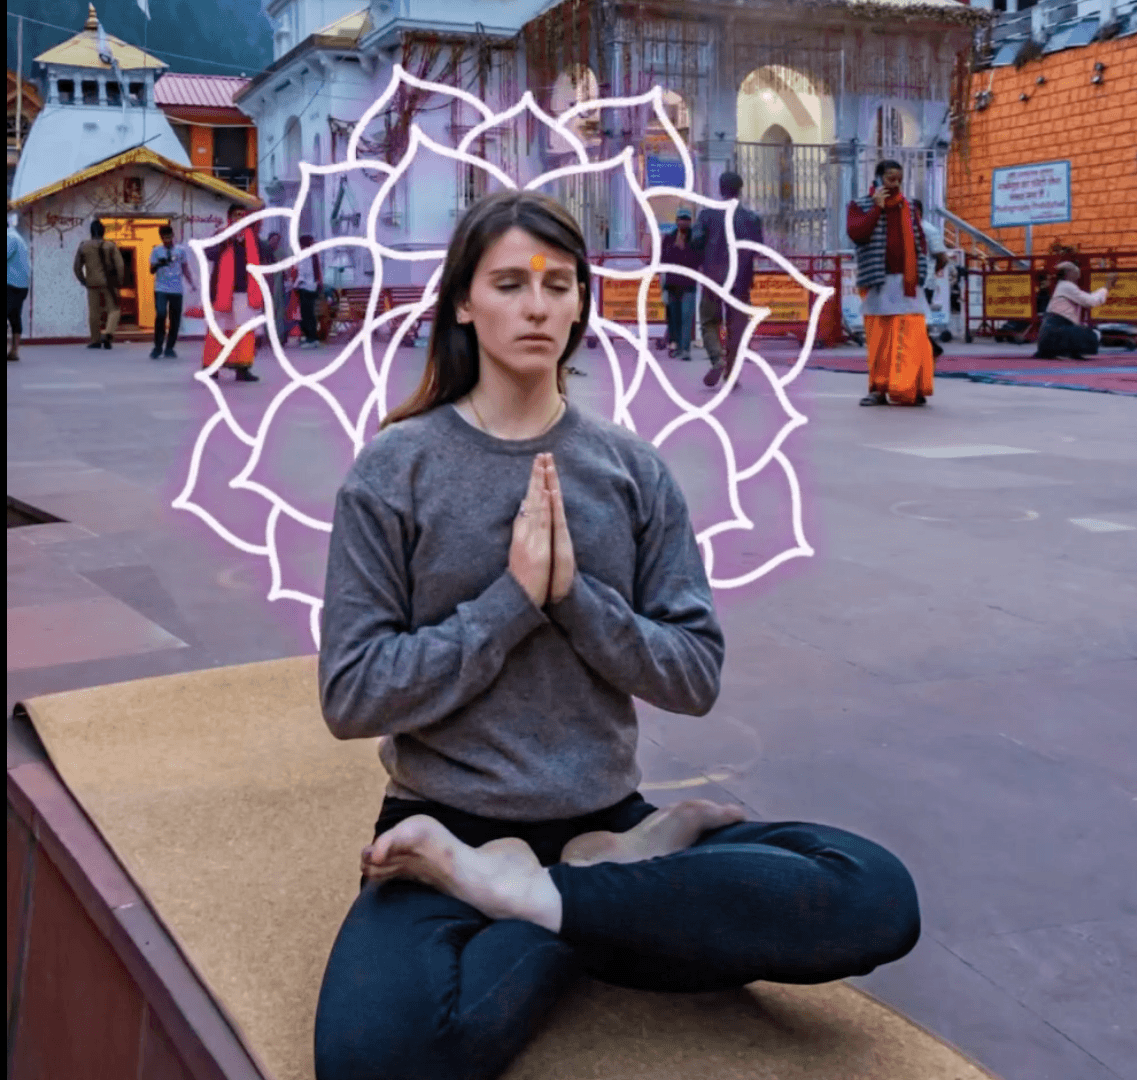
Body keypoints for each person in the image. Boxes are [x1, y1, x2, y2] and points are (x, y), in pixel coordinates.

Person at [312, 189, 921, 1080]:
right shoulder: (394, 471)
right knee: (374, 1063)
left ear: (581, 303)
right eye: (510, 282)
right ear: (461, 303)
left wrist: (578, 599)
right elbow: (352, 693)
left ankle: (546, 894)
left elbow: (694, 674)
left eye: (558, 284)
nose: (536, 305)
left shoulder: (631, 469)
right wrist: (512, 602)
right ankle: (584, 903)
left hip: (606, 819)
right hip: (443, 831)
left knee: (873, 892)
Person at [846, 161, 931, 407]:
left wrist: (921, 273)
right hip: (878, 281)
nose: (895, 185)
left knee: (913, 336)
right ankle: (878, 389)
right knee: (880, 341)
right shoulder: (860, 205)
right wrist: (876, 209)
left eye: (899, 180)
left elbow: (920, 242)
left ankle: (910, 388)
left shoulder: (910, 206)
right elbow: (857, 234)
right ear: (879, 179)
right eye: (890, 180)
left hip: (908, 282)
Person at [691, 171, 763, 388]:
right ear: (740, 190)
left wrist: (703, 259)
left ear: (721, 190)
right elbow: (758, 249)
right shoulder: (752, 219)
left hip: (713, 277)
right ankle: (732, 373)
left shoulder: (707, 216)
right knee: (737, 328)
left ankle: (716, 359)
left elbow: (696, 241)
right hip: (740, 281)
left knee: (709, 322)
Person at [202, 204, 263, 382]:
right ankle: (211, 368)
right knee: (218, 330)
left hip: (245, 292)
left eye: (242, 215)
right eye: (236, 215)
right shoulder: (221, 234)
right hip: (222, 292)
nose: (239, 218)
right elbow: (208, 253)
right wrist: (224, 242)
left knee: (244, 331)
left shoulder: (253, 238)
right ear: (229, 217)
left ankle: (242, 369)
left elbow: (265, 259)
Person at [1034, 262, 1116, 360]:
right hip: (1056, 333)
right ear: (1069, 273)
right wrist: (1107, 287)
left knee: (1081, 330)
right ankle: (1066, 351)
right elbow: (1090, 301)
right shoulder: (1066, 285)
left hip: (1048, 337)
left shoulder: (1061, 286)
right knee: (1094, 334)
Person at [73, 219, 125, 350]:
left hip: (92, 283)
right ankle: (108, 333)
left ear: (91, 232)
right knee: (114, 309)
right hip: (108, 282)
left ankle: (95, 340)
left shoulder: (84, 246)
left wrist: (83, 280)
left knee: (94, 312)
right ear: (103, 232)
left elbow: (77, 267)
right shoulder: (110, 246)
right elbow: (120, 265)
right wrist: (119, 281)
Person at [660, 208, 701, 361]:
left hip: (689, 285)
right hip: (672, 285)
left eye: (686, 219)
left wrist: (684, 249)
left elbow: (697, 260)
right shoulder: (669, 238)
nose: (683, 222)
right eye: (681, 219)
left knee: (686, 317)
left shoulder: (695, 239)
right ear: (676, 221)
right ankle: (676, 346)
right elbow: (664, 259)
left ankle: (685, 350)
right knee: (674, 318)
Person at [149, 224, 195, 359]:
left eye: (169, 237)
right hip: (161, 288)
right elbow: (151, 270)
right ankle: (157, 347)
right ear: (161, 238)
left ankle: (170, 347)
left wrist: (191, 283)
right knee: (161, 314)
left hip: (176, 288)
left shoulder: (181, 251)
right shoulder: (156, 251)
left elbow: (185, 268)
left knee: (175, 318)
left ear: (173, 236)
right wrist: (159, 264)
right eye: (164, 238)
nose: (167, 240)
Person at [913, 199, 949, 360]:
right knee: (912, 318)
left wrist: (933, 273)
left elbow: (943, 257)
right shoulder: (904, 230)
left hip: (924, 282)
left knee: (917, 317)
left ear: (919, 212)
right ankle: (928, 348)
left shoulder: (928, 230)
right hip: (907, 281)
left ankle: (930, 348)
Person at [265, 230, 298, 346]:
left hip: (278, 285)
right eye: (273, 239)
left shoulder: (281, 253)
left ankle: (279, 337)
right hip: (266, 283)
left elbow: (286, 269)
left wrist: (289, 280)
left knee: (280, 311)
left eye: (277, 240)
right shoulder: (265, 251)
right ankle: (268, 337)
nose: (275, 242)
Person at [7, 207, 30, 363]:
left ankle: (14, 351)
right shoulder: (16, 237)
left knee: (13, 316)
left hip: (12, 284)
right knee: (15, 317)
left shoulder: (10, 238)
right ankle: (14, 352)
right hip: (20, 285)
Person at [294, 234, 323, 349]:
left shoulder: (304, 255)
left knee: (306, 315)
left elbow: (302, 274)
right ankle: (313, 338)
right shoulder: (315, 255)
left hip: (305, 288)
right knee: (311, 314)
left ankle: (310, 338)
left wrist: (295, 285)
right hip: (314, 287)